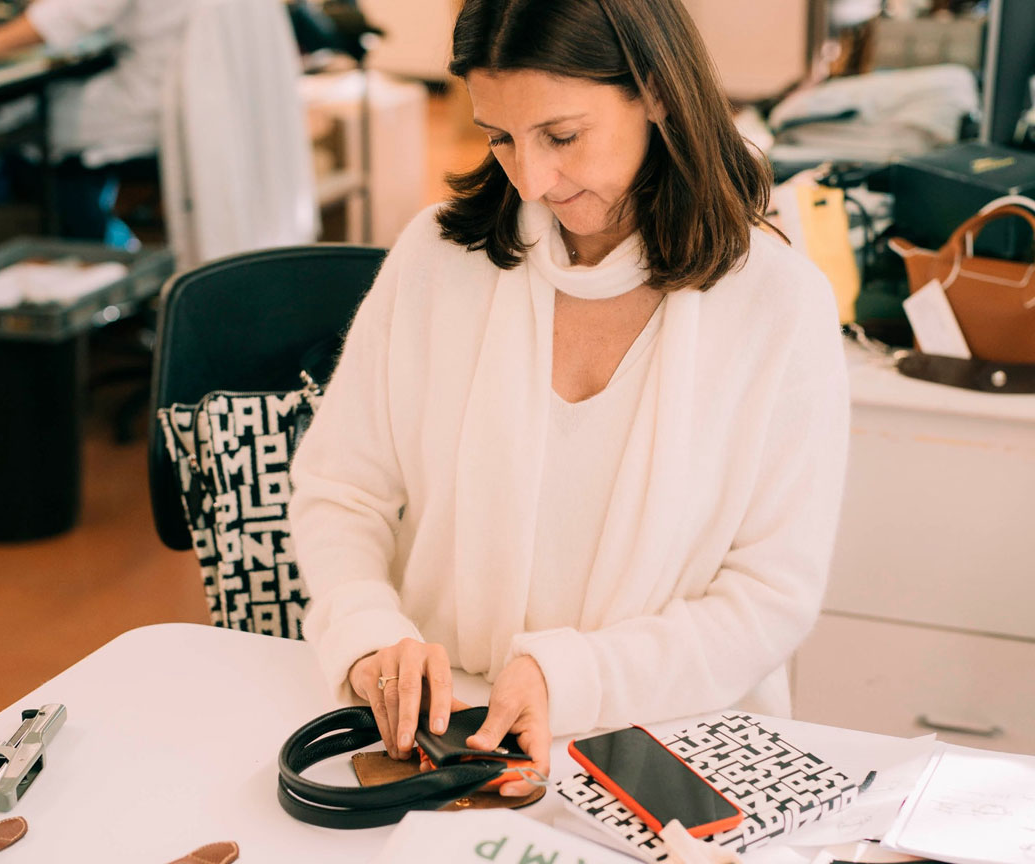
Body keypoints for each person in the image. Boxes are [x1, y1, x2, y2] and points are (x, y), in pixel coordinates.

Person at [289, 0, 850, 798]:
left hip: (672, 746)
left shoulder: (777, 301)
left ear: (655, 92)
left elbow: (770, 597)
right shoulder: (438, 258)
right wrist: (369, 631)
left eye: (561, 135)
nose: (532, 178)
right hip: (453, 738)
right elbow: (342, 491)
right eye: (500, 137)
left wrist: (568, 676)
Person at [0, 0, 193, 240]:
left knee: (19, 129)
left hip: (150, 101)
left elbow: (64, 16)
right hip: (180, 89)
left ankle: (96, 246)